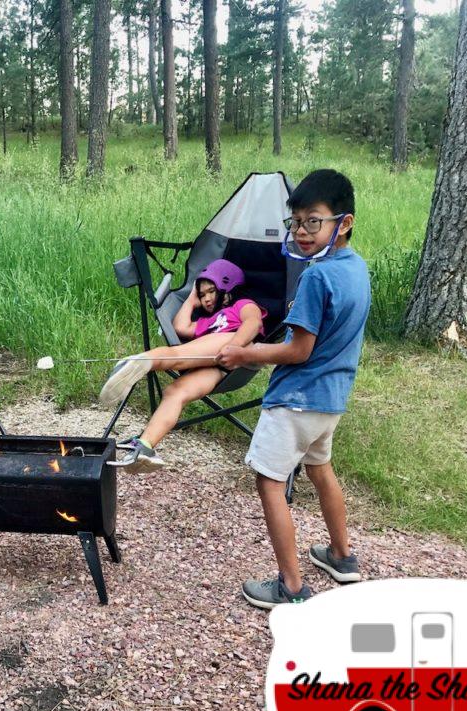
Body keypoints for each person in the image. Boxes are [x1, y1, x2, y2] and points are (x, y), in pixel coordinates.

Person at [216, 169, 370, 610]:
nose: (302, 232)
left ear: (344, 222)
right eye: (296, 222)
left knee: (270, 481)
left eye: (313, 221)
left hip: (295, 402)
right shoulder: (356, 268)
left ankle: (291, 585)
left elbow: (299, 351)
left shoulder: (316, 279)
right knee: (321, 469)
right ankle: (342, 557)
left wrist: (245, 355)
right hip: (331, 401)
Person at [98, 259, 266, 472]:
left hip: (235, 347)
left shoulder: (243, 305)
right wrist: (191, 298)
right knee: (175, 392)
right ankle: (145, 446)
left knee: (177, 355)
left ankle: (139, 362)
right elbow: (180, 327)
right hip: (216, 367)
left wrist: (234, 346)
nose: (206, 299)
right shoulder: (208, 321)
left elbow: (254, 323)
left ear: (228, 287)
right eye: (202, 294)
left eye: (211, 291)